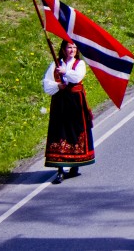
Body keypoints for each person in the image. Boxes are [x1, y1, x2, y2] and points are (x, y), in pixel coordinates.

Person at [41, 40, 94, 184]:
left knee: (75, 132)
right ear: (64, 49)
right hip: (60, 103)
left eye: (75, 48)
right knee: (59, 132)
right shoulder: (55, 64)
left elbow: (77, 77)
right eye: (69, 47)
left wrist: (66, 72)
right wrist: (58, 85)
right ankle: (59, 170)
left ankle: (75, 165)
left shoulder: (79, 64)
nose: (72, 50)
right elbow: (47, 84)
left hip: (75, 103)